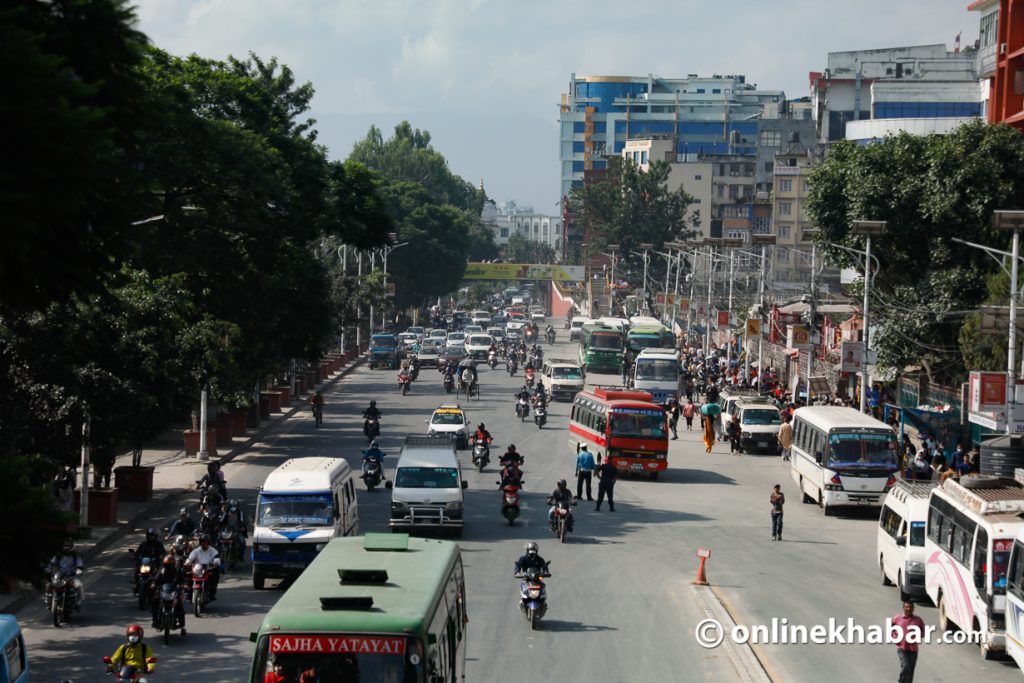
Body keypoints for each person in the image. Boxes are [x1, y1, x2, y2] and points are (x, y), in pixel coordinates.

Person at [151, 554, 186, 631]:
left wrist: (183, 585)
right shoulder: (161, 572)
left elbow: (183, 581)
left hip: (174, 592)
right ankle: (155, 619)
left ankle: (182, 623)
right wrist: (153, 584)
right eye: (167, 565)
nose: (168, 566)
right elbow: (155, 580)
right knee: (154, 601)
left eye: (169, 565)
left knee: (180, 604)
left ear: (173, 565)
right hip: (163, 591)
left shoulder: (178, 572)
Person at [46, 538, 84, 608]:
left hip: (71, 577)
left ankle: (78, 602)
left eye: (67, 546)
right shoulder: (58, 556)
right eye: (64, 546)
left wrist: (79, 570)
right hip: (60, 576)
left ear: (71, 546)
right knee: (48, 585)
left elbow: (80, 564)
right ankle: (48, 600)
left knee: (79, 586)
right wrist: (47, 570)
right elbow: (51, 564)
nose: (66, 547)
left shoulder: (75, 556)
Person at [893, 601, 925, 682]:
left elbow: (924, 631)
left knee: (911, 670)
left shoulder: (918, 620)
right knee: (905, 666)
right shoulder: (898, 618)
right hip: (902, 648)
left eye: (910, 607)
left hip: (913, 650)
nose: (909, 609)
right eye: (907, 607)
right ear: (903, 608)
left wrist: (918, 634)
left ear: (913, 608)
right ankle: (901, 681)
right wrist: (895, 637)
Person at [185, 534, 220, 601]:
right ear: (200, 542)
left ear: (208, 543)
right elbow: (190, 558)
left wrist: (215, 563)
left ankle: (211, 592)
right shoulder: (196, 551)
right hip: (197, 569)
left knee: (214, 574)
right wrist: (187, 562)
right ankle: (188, 593)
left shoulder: (213, 551)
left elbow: (216, 558)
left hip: (208, 569)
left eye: (205, 542)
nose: (204, 544)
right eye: (202, 542)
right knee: (187, 575)